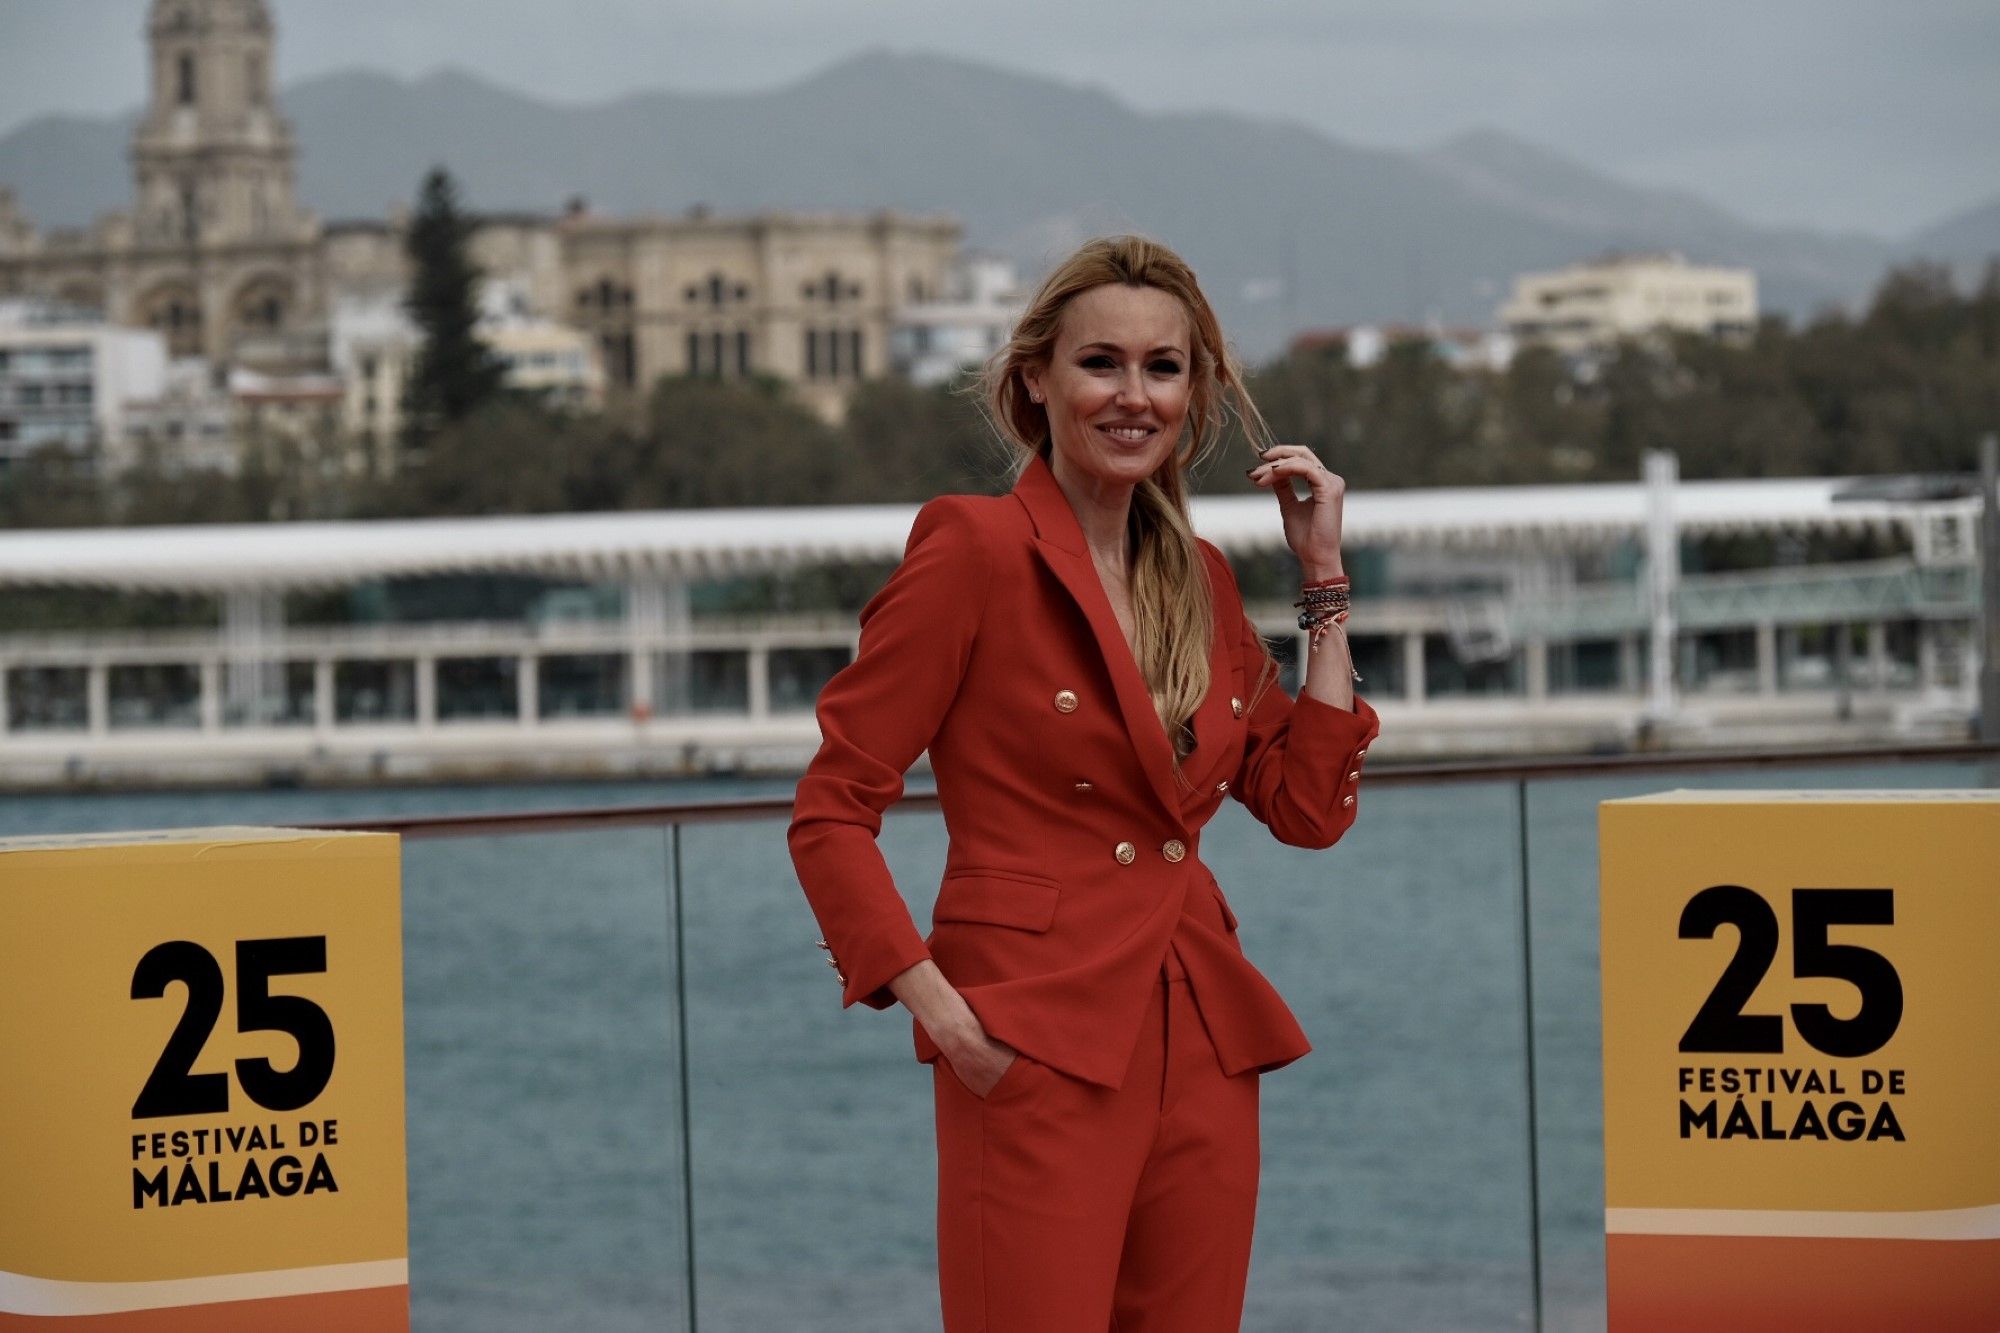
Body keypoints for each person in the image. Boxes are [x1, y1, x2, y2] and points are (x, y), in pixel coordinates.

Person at [788, 234, 1380, 1331]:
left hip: (1201, 1040)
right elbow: (831, 809)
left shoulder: (1195, 580)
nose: (1132, 395)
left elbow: (1306, 807)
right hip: (1027, 1039)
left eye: (1162, 367)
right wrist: (942, 1014)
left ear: (1194, 393)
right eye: (1099, 363)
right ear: (1035, 380)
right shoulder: (972, 549)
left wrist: (1320, 580)